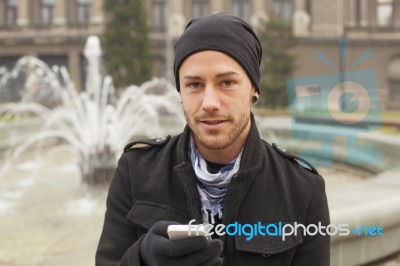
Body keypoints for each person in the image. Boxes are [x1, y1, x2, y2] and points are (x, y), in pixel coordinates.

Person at [96, 13, 330, 266]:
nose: (209, 103)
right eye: (195, 85)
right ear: (180, 93)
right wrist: (141, 258)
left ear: (253, 89)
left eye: (227, 82)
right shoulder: (135, 171)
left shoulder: (303, 189)